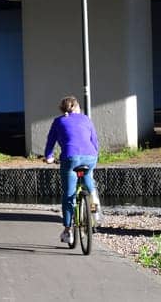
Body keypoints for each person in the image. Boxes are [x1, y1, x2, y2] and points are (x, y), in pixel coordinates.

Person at [43, 95, 99, 245]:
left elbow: (50, 142)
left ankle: (68, 230)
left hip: (70, 158)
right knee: (88, 182)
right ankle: (94, 208)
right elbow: (95, 140)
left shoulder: (59, 121)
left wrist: (49, 157)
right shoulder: (86, 119)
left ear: (63, 109)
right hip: (90, 156)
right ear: (77, 107)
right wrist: (95, 156)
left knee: (68, 194)